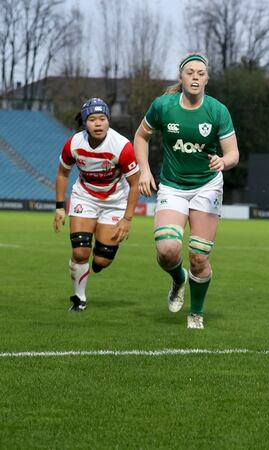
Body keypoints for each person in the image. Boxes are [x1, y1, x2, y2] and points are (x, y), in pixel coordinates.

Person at [133, 53, 240, 330]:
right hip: (172, 185)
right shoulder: (163, 106)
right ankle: (178, 279)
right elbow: (141, 136)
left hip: (207, 185)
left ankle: (196, 312)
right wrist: (144, 170)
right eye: (190, 72)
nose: (195, 76)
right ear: (181, 77)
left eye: (200, 73)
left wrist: (223, 162)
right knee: (167, 250)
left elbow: (233, 154)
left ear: (206, 79)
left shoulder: (217, 111)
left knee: (199, 255)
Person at [53, 98, 140, 312]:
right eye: (92, 119)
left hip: (115, 202)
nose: (98, 123)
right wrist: (59, 206)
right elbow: (63, 173)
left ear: (108, 120)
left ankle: (96, 263)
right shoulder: (74, 144)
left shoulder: (122, 146)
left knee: (102, 260)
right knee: (81, 251)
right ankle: (79, 298)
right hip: (85, 197)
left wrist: (127, 219)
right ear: (85, 122)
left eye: (102, 118)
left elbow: (135, 183)